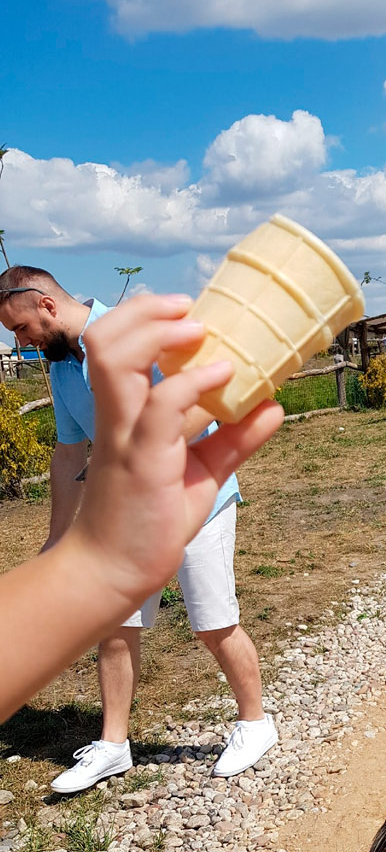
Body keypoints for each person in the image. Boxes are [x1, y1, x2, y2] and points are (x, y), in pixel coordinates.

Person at [0, 268, 283, 789]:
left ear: (45, 305)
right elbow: (68, 455)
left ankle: (255, 722)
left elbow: (200, 404)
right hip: (128, 512)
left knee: (213, 623)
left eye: (19, 329)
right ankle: (113, 745)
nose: (19, 343)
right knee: (115, 625)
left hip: (197, 498)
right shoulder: (62, 369)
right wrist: (56, 537)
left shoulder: (136, 334)